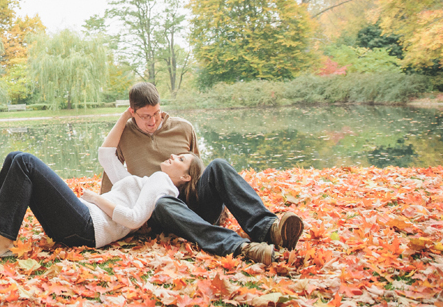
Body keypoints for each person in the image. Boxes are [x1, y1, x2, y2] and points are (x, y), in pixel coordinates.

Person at [0, 125, 279, 264]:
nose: (173, 156)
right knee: (16, 156)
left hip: (88, 223)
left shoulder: (161, 186)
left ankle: (3, 242)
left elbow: (133, 219)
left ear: (186, 177)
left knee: (25, 161)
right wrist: (127, 118)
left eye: (181, 160)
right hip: (81, 221)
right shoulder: (147, 180)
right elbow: (107, 155)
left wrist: (94, 198)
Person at [98, 81, 305, 254]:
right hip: (161, 212)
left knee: (218, 165)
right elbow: (111, 172)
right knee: (161, 203)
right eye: (145, 116)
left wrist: (219, 205)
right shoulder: (124, 135)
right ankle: (241, 248)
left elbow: (198, 171)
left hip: (194, 205)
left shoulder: (183, 128)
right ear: (132, 112)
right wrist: (109, 215)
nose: (152, 121)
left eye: (157, 113)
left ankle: (269, 230)